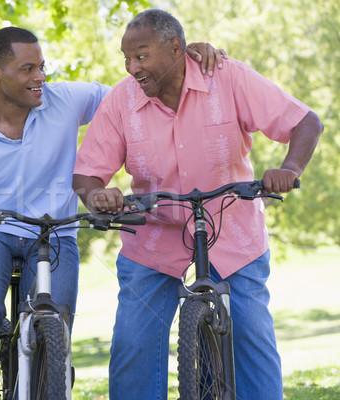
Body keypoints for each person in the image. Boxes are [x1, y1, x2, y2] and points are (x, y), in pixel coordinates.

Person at [0, 26, 224, 398]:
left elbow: (134, 89)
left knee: (58, 318)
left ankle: (48, 380)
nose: (40, 78)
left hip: (55, 231)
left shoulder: (67, 98)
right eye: (27, 69)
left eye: (42, 67)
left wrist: (182, 57)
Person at [72, 9, 323, 400]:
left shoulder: (228, 77)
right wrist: (97, 195)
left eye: (140, 55)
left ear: (176, 48)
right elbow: (86, 174)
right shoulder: (122, 100)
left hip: (232, 229)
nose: (131, 67)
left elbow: (306, 121)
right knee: (132, 347)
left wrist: (289, 167)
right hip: (154, 235)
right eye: (126, 58)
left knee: (251, 338)